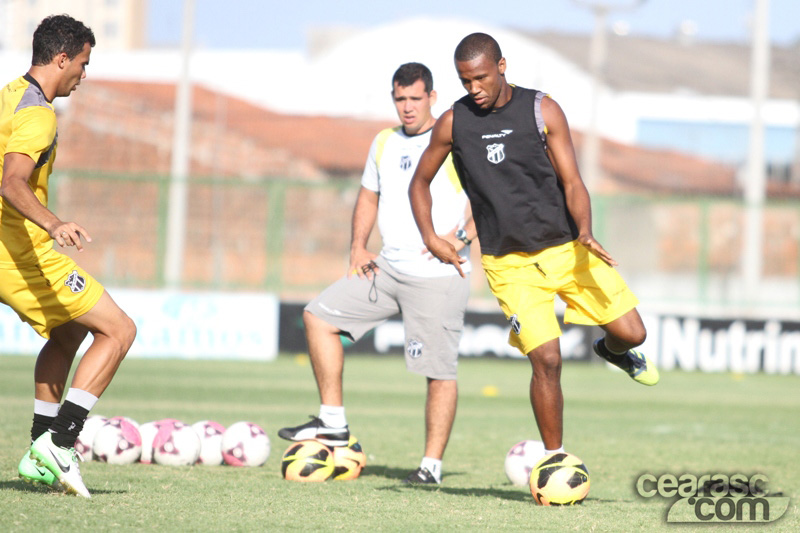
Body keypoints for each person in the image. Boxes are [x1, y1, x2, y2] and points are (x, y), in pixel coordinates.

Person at [408, 33, 658, 458]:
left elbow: (573, 182)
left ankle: (610, 350)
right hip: (509, 266)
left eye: (481, 78)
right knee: (547, 360)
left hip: (567, 249)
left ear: (501, 67)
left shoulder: (543, 110)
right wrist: (431, 237)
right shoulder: (454, 122)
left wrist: (586, 230)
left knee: (633, 334)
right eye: (465, 81)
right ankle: (554, 459)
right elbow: (419, 182)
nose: (475, 89)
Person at [278, 62, 476, 484]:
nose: (407, 107)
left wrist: (458, 238)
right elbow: (369, 196)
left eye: (415, 98)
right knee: (318, 316)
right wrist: (356, 245)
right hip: (386, 266)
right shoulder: (384, 142)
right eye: (400, 98)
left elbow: (486, 198)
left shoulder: (455, 140)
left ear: (432, 99)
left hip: (438, 276)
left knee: (438, 371)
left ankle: (431, 467)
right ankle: (333, 422)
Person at [1, 15, 136, 498]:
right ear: (62, 59)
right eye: (83, 62)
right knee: (119, 330)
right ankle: (62, 440)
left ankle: (39, 449)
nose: (84, 74)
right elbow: (12, 181)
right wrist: (54, 223)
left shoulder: (9, 95)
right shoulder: (38, 113)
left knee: (69, 331)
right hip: (20, 251)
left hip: (7, 250)